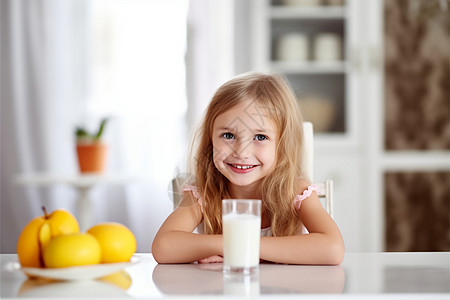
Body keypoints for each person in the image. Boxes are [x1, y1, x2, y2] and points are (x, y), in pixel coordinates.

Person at [152, 72, 344, 265]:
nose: (241, 152)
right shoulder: (204, 193)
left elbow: (333, 250)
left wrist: (239, 246)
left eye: (260, 137)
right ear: (210, 141)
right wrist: (229, 244)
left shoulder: (296, 191)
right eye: (228, 135)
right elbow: (163, 247)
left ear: (282, 145)